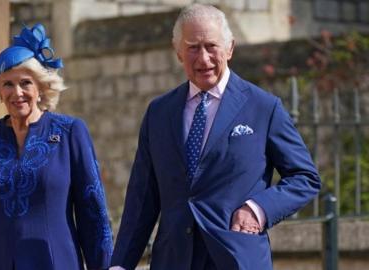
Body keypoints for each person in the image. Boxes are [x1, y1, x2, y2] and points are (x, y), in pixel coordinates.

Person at [110, 4, 320, 270]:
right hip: (174, 260)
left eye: (211, 46)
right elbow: (142, 197)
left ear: (229, 48)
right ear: (178, 53)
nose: (204, 59)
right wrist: (120, 265)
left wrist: (258, 209)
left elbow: (305, 178)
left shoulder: (263, 107)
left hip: (236, 258)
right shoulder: (159, 112)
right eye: (193, 48)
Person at [0, 24, 113, 270]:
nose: (17, 92)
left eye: (25, 83)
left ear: (40, 87)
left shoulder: (70, 132)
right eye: (7, 84)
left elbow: (94, 214)